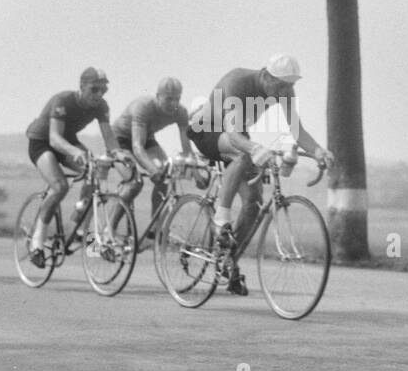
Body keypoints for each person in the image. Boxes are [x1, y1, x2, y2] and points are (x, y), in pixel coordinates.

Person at [187, 54, 335, 295]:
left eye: (291, 86)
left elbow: (297, 131)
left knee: (253, 201)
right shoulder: (238, 82)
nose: (285, 91)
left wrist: (318, 149)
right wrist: (255, 148)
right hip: (205, 130)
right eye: (281, 86)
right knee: (243, 153)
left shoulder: (284, 90)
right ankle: (220, 218)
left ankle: (227, 261)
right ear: (266, 76)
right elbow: (235, 137)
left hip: (235, 134)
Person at [24, 67, 120, 267]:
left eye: (103, 90)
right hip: (42, 141)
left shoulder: (101, 106)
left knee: (95, 176)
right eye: (94, 89)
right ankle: (37, 242)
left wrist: (119, 155)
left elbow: (109, 137)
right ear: (82, 86)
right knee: (60, 187)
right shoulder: (63, 101)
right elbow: (54, 138)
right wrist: (76, 152)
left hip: (66, 141)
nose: (99, 95)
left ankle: (80, 231)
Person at [111, 78, 192, 230]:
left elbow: (187, 148)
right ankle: (109, 230)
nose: (174, 104)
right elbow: (137, 147)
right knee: (134, 183)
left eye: (177, 99)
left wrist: (197, 172)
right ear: (158, 96)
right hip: (120, 139)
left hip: (145, 138)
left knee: (165, 176)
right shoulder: (143, 106)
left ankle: (155, 228)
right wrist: (151, 169)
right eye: (169, 99)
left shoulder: (181, 112)